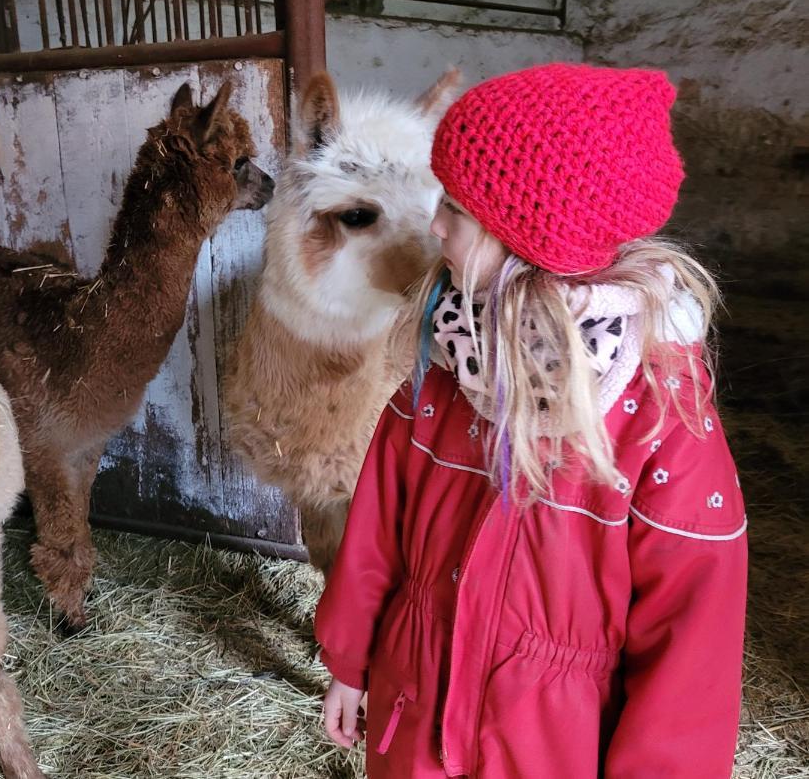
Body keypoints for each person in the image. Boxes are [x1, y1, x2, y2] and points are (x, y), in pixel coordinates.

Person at [315, 63, 748, 778]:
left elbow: (690, 646)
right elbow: (376, 530)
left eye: (456, 205)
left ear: (530, 228)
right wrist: (351, 660)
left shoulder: (656, 417)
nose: (436, 225)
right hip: (414, 718)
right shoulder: (449, 365)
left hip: (550, 749)